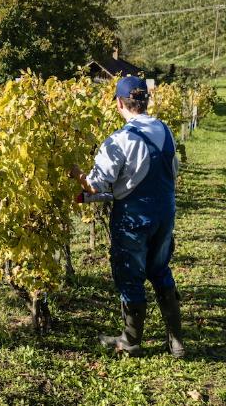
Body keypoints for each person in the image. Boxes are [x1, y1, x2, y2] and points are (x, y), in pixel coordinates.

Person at [70, 76, 185, 358]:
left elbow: (96, 185)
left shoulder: (120, 140)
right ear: (145, 101)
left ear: (120, 103)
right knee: (159, 269)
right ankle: (177, 341)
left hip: (133, 217)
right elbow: (173, 169)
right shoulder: (166, 130)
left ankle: (130, 340)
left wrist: (76, 175)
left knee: (130, 276)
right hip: (165, 213)